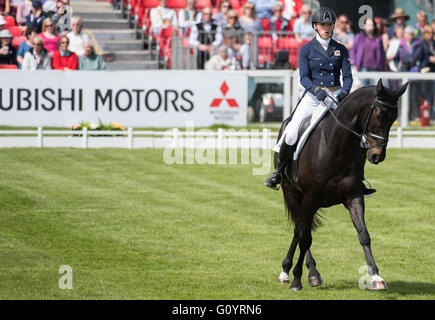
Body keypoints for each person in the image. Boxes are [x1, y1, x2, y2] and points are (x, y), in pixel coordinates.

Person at [265, 7, 376, 197]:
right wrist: (316, 90)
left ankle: (359, 179)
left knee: (357, 134)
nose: (326, 28)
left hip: (336, 94)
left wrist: (344, 92)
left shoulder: (340, 49)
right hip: (312, 96)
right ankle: (278, 172)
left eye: (329, 25)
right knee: (291, 131)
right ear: (315, 26)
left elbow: (348, 76)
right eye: (323, 25)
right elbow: (304, 78)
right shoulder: (306, 49)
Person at [350, 18, 385, 86]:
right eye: (367, 24)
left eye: (371, 25)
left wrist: (382, 67)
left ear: (374, 26)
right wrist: (354, 63)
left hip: (375, 68)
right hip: (363, 67)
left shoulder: (378, 39)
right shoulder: (359, 37)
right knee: (363, 88)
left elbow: (382, 54)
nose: (369, 26)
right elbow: (352, 50)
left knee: (374, 89)